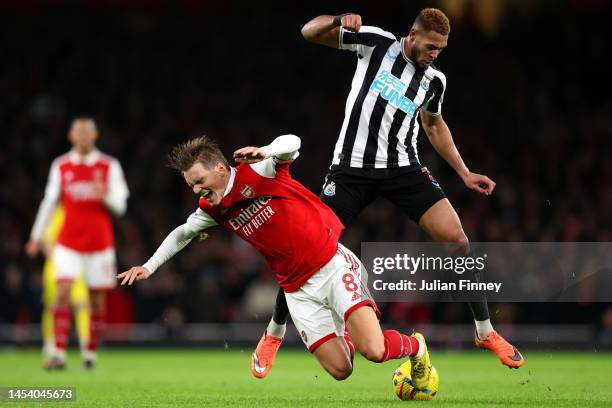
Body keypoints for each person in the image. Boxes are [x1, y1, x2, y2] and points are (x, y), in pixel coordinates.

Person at [252, 8, 524, 378]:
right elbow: (307, 31)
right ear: (412, 34)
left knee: (458, 240)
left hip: (403, 169)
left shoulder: (434, 81)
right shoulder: (377, 43)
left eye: (441, 50)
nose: (434, 55)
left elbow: (433, 124)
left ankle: (484, 332)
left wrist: (463, 171)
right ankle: (274, 333)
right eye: (430, 47)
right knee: (307, 246)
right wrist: (337, 20)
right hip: (351, 169)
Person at [118, 134, 434, 387]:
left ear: (218, 167)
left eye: (199, 180)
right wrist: (148, 266)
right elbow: (182, 233)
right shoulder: (212, 209)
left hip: (331, 266)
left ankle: (417, 347)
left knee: (375, 351)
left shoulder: (256, 170)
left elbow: (293, 142)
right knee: (341, 370)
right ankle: (342, 330)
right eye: (191, 186)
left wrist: (266, 151)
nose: (197, 190)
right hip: (298, 292)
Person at [26, 117, 129, 369]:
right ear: (71, 136)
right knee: (61, 293)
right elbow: (49, 201)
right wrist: (35, 236)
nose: (83, 137)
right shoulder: (61, 165)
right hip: (68, 242)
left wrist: (103, 195)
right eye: (78, 132)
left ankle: (90, 353)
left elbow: (121, 206)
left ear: (95, 136)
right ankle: (58, 352)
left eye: (87, 132)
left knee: (96, 300)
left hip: (99, 244)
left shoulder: (109, 166)